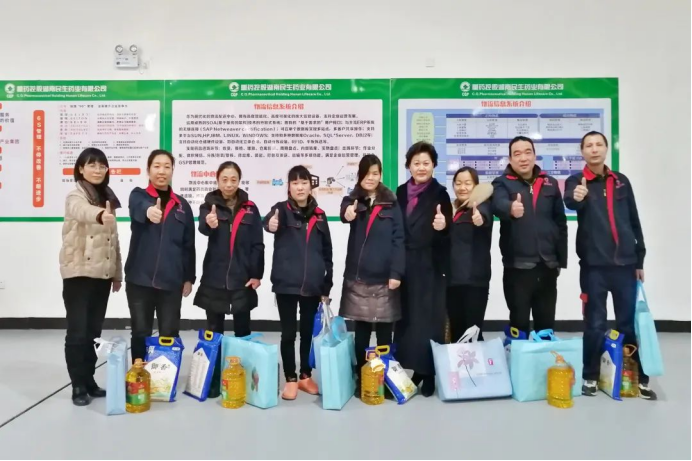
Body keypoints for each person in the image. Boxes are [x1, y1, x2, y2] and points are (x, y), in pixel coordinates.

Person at [564, 131, 655, 400]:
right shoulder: (576, 181)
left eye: (598, 144)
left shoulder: (621, 181)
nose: (594, 149)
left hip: (626, 265)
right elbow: (570, 201)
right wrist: (578, 196)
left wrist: (639, 258)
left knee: (628, 324)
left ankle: (638, 378)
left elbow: (634, 219)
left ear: (606, 149)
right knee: (594, 324)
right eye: (588, 146)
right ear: (582, 152)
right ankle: (590, 376)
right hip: (594, 268)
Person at [194, 161, 264, 398]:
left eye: (233, 179)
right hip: (215, 278)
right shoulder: (209, 205)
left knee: (243, 331)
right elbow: (203, 227)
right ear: (217, 180)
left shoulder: (250, 209)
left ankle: (241, 377)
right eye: (224, 179)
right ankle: (214, 379)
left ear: (239, 181)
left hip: (242, 279)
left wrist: (257, 274)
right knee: (214, 332)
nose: (229, 184)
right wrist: (209, 223)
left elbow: (258, 244)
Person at [263, 165, 333, 400]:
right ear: (289, 187)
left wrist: (327, 285)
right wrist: (270, 225)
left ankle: (305, 375)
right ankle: (290, 378)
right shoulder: (281, 210)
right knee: (288, 334)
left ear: (310, 186)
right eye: (295, 183)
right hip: (286, 285)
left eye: (304, 182)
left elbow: (328, 252)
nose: (300, 187)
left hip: (313, 286)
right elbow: (268, 222)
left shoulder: (320, 215)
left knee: (307, 333)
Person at [59, 148, 123, 406]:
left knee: (93, 333)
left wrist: (117, 274)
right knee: (77, 332)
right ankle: (77, 385)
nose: (97, 170)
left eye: (102, 166)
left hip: (101, 276)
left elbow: (113, 242)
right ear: (81, 169)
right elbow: (81, 211)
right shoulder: (75, 195)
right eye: (92, 165)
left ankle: (89, 380)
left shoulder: (107, 198)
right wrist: (99, 215)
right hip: (78, 274)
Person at [339, 155, 405, 395]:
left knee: (385, 332)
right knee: (362, 333)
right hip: (360, 278)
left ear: (380, 175)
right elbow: (345, 212)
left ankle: (384, 378)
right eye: (367, 174)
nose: (371, 178)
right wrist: (348, 212)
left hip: (386, 278)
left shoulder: (391, 203)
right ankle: (362, 377)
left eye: (375, 173)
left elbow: (399, 239)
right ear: (360, 175)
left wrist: (396, 272)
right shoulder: (353, 199)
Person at [492, 136, 567, 337]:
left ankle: (544, 356)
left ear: (534, 155)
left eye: (527, 152)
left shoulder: (550, 183)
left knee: (546, 325)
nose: (523, 158)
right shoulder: (501, 183)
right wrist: (510, 208)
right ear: (510, 159)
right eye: (517, 154)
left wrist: (560, 260)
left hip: (548, 265)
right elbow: (497, 204)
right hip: (517, 267)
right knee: (519, 325)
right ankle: (518, 357)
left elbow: (560, 223)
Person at [125, 149, 196, 362]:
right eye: (156, 166)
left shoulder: (182, 206)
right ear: (148, 170)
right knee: (140, 331)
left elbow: (188, 245)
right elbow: (139, 207)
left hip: (171, 281)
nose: (162, 171)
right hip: (139, 279)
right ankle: (139, 374)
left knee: (169, 332)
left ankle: (164, 377)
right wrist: (149, 211)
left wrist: (189, 278)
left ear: (172, 170)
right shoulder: (138, 195)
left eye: (167, 166)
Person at [395, 141, 453, 397]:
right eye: (416, 163)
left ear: (434, 165)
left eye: (426, 163)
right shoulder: (399, 192)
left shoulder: (441, 194)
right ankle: (412, 368)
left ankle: (428, 373)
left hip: (430, 265)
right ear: (409, 165)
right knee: (407, 320)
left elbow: (449, 231)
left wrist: (444, 225)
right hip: (403, 263)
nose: (421, 167)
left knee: (430, 321)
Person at [447, 166, 493, 342]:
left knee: (472, 332)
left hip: (474, 282)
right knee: (456, 332)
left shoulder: (481, 206)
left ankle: (478, 362)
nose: (462, 187)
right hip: (452, 281)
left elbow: (484, 217)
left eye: (467, 183)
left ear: (475, 186)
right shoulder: (451, 210)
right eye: (458, 183)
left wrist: (480, 219)